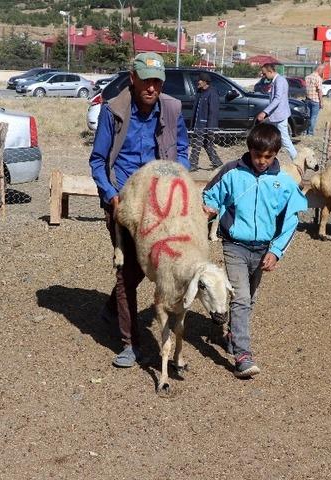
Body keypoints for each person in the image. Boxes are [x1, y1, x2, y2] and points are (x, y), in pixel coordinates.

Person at [89, 52, 190, 368]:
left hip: (160, 203)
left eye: (157, 81)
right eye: (146, 79)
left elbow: (183, 151)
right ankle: (130, 343)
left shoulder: (172, 110)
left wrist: (176, 179)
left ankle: (111, 309)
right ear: (132, 78)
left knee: (148, 268)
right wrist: (109, 194)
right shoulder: (113, 112)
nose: (152, 87)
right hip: (126, 203)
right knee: (127, 270)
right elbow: (97, 160)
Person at [201, 123, 308, 378]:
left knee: (249, 300)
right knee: (240, 297)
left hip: (263, 250)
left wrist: (277, 250)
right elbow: (210, 195)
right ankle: (242, 355)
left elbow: (291, 219)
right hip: (234, 245)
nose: (261, 161)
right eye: (258, 155)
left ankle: (231, 335)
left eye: (268, 156)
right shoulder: (231, 172)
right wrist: (210, 207)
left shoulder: (283, 182)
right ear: (249, 149)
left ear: (276, 154)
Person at [255, 63, 298, 161]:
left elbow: (277, 99)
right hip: (276, 115)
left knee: (285, 140)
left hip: (280, 115)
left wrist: (264, 112)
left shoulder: (279, 81)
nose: (263, 76)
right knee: (273, 139)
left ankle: (297, 161)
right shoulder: (277, 81)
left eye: (264, 74)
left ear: (270, 71)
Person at [189, 72, 222, 171]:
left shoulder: (212, 93)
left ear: (205, 82)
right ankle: (217, 162)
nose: (197, 82)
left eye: (199, 80)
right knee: (207, 144)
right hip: (198, 124)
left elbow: (213, 111)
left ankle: (192, 164)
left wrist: (210, 128)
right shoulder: (200, 92)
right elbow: (196, 110)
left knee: (197, 144)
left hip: (206, 125)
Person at [302, 63, 326, 136]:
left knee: (308, 117)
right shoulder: (318, 78)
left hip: (307, 100)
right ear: (319, 69)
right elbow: (319, 91)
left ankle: (305, 131)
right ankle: (310, 133)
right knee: (313, 117)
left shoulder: (307, 77)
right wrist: (321, 102)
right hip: (315, 100)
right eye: (322, 70)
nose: (323, 72)